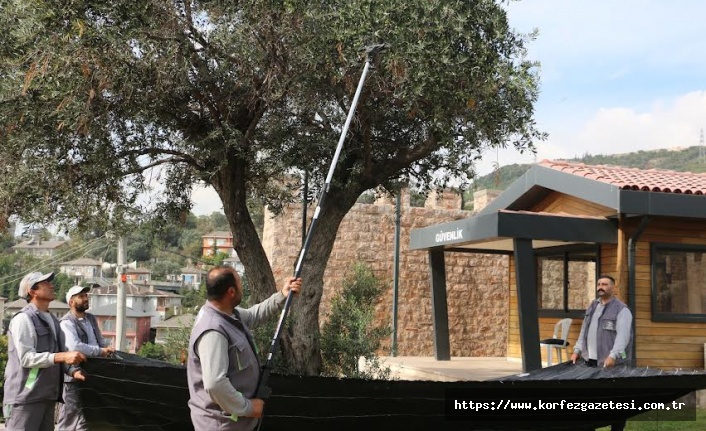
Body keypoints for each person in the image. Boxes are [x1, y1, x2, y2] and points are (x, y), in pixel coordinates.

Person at [187, 266, 302, 431]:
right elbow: (215, 384)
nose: (242, 288)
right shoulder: (213, 330)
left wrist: (282, 295)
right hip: (222, 427)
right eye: (240, 284)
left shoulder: (228, 314)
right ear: (231, 292)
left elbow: (254, 315)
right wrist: (248, 407)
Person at [3, 272, 86, 431]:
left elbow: (59, 355)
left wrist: (74, 371)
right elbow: (27, 358)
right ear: (32, 291)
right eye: (45, 283)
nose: (51, 285)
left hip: (47, 396)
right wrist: (62, 356)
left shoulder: (54, 320)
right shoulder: (23, 319)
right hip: (25, 398)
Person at [571, 274, 633, 431]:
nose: (601, 286)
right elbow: (583, 331)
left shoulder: (622, 310)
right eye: (599, 283)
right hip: (590, 361)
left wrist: (613, 355)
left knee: (615, 401)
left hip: (610, 364)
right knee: (590, 400)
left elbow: (623, 337)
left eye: (605, 284)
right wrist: (577, 350)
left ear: (613, 288)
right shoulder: (592, 306)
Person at [55, 285, 115, 431]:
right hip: (73, 376)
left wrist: (106, 352)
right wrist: (100, 351)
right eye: (80, 296)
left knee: (86, 418)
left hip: (92, 374)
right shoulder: (66, 322)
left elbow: (99, 340)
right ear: (71, 302)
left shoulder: (91, 318)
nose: (85, 298)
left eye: (85, 295)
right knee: (69, 417)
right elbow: (75, 346)